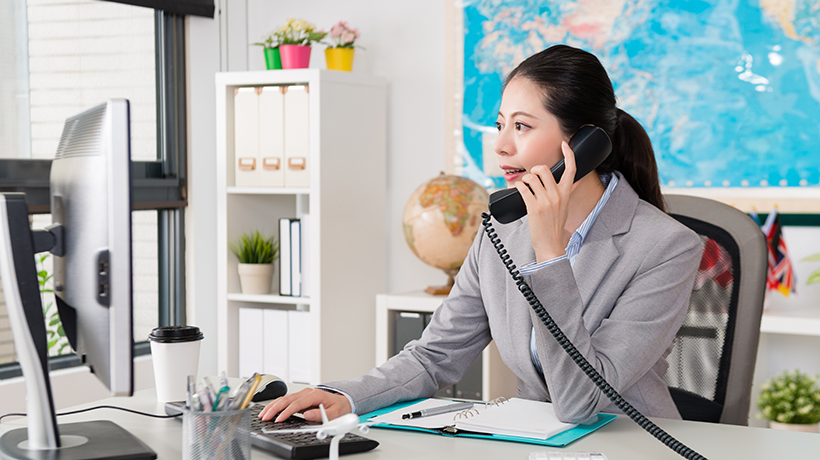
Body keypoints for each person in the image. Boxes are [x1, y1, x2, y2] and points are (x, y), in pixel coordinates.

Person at [259, 44, 703, 425]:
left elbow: (579, 403)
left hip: (632, 444)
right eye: (500, 125)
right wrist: (348, 396)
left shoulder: (666, 247)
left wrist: (550, 254)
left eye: (522, 127)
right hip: (538, 444)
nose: (501, 146)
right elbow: (435, 357)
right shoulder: (501, 233)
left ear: (585, 143)